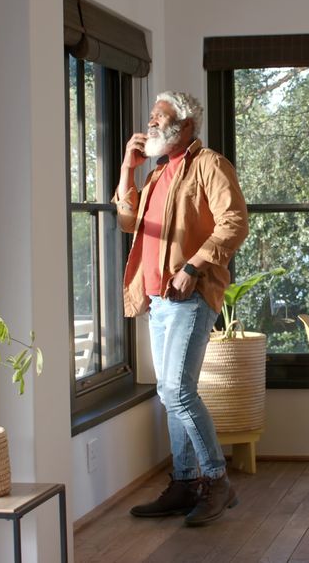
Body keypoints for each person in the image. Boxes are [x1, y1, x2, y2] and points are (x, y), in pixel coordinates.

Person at [112, 91, 248, 526]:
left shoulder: (209, 165)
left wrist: (193, 265)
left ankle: (217, 480)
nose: (151, 122)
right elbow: (127, 222)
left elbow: (235, 221)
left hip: (190, 296)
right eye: (151, 116)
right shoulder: (154, 174)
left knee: (177, 390)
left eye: (161, 116)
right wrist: (126, 172)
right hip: (157, 298)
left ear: (185, 125)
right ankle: (185, 482)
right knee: (169, 394)